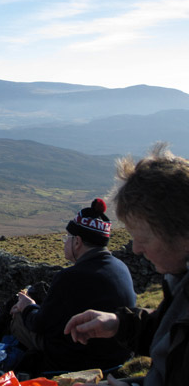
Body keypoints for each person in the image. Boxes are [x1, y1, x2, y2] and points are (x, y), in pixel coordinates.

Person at [65, 143, 189, 386]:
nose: (136, 249)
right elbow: (172, 332)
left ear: (183, 234)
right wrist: (119, 324)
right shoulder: (181, 279)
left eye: (143, 239)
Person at [5, 199, 137, 375]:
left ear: (77, 242)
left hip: (75, 361)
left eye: (68, 238)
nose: (65, 242)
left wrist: (27, 306)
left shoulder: (70, 277)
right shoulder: (121, 267)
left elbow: (39, 324)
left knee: (18, 314)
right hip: (115, 360)